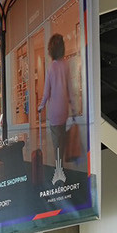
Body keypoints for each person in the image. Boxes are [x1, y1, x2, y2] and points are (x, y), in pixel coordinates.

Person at [42, 32, 71, 169]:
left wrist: (41, 106)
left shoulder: (51, 67)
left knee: (56, 143)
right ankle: (62, 165)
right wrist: (74, 107)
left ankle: (59, 168)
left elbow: (46, 92)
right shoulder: (66, 65)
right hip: (64, 110)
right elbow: (70, 88)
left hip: (54, 112)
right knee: (62, 139)